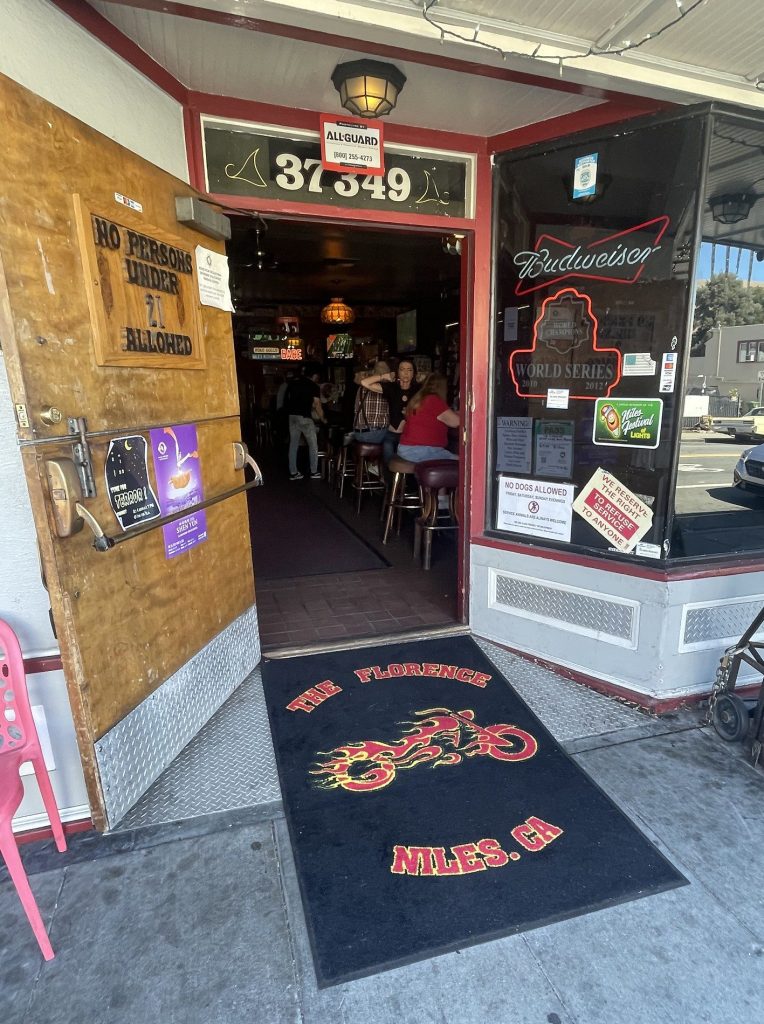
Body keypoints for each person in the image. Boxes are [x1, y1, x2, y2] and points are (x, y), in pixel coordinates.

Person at [360, 358, 420, 463]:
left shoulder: (418, 390)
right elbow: (364, 382)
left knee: (410, 464)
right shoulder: (391, 388)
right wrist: (383, 376)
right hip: (391, 434)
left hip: (409, 435)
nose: (406, 373)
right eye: (402, 369)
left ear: (414, 373)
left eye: (409, 370)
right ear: (397, 372)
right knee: (389, 463)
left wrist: (411, 412)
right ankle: (387, 478)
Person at [397, 372, 459, 463]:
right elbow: (456, 422)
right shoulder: (434, 400)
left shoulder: (418, 399)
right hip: (421, 450)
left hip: (405, 449)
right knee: (463, 463)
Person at [284, 365, 325, 480]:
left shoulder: (293, 383)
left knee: (293, 444)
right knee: (313, 445)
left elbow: (288, 400)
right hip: (305, 417)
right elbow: (317, 404)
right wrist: (323, 419)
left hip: (291, 416)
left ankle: (293, 472)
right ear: (315, 376)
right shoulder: (313, 386)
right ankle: (314, 471)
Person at [352, 361, 391, 444]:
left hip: (358, 432)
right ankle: (388, 457)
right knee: (393, 438)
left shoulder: (362, 387)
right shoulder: (385, 388)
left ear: (373, 372)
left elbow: (355, 409)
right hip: (374, 433)